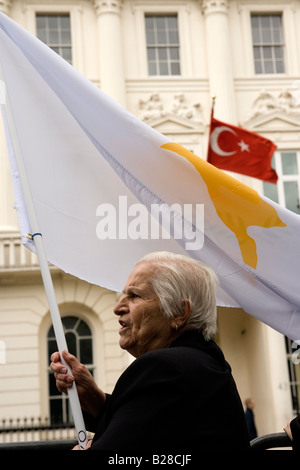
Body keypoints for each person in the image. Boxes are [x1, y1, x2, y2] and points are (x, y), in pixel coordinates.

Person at [50, 251, 250, 450]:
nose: (118, 307)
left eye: (134, 295)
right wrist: (96, 401)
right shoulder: (207, 363)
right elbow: (152, 429)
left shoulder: (166, 367)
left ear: (180, 313)